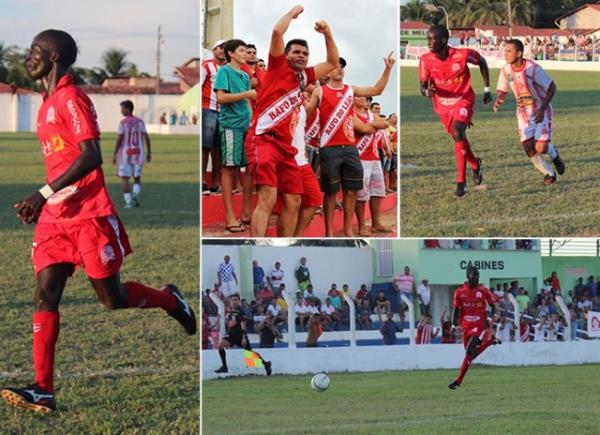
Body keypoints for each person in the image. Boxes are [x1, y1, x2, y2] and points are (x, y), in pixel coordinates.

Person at [1, 30, 196, 414]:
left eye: (37, 51)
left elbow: (92, 155)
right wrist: (47, 201)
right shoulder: (47, 101)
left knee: (112, 300)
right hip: (56, 217)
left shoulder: (71, 98)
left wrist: (40, 194)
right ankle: (43, 389)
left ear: (55, 58)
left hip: (89, 215)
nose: (29, 57)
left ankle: (169, 299)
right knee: (45, 293)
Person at [246, 5, 339, 237]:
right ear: (286, 54)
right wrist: (291, 14)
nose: (301, 56)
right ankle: (258, 246)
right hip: (264, 139)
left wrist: (327, 33)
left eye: (305, 53)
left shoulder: (304, 77)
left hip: (287, 148)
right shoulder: (278, 66)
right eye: (296, 52)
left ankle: (284, 243)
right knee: (267, 198)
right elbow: (277, 33)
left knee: (294, 200)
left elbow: (332, 63)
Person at [311, 53, 395, 236]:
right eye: (335, 66)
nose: (340, 68)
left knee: (352, 191)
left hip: (350, 150)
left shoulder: (351, 90)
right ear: (327, 72)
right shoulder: (320, 91)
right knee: (331, 193)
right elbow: (307, 113)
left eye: (342, 66)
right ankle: (329, 232)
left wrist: (388, 69)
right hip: (329, 148)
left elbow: (376, 90)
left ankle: (349, 229)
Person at [418, 25, 490, 197]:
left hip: (463, 100)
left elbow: (482, 62)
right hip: (442, 105)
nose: (428, 42)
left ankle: (461, 181)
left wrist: (487, 89)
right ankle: (475, 164)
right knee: (459, 138)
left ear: (443, 40)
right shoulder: (426, 60)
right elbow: (422, 86)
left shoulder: (462, 55)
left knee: (459, 132)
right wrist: (427, 92)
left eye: (432, 39)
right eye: (427, 39)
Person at [493, 39, 565, 185]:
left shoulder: (533, 69)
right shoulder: (506, 70)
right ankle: (549, 173)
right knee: (529, 149)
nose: (505, 54)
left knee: (541, 147)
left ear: (519, 53)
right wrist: (499, 100)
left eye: (508, 51)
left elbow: (552, 88)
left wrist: (542, 109)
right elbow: (503, 89)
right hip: (523, 114)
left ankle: (555, 156)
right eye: (504, 51)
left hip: (541, 111)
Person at [213, 38, 257, 232]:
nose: (245, 54)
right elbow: (221, 98)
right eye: (241, 50)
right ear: (230, 53)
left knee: (248, 168)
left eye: (246, 51)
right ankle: (230, 216)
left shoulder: (244, 76)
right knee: (230, 169)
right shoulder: (224, 71)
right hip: (231, 126)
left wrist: (252, 120)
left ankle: (246, 211)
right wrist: (247, 94)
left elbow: (247, 103)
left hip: (246, 126)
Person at [448, 265, 500, 390]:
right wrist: (453, 325)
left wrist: (489, 319)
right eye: (473, 276)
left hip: (480, 325)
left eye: (477, 276)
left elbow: (493, 307)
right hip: (466, 326)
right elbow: (456, 309)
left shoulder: (483, 290)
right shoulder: (459, 292)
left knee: (469, 350)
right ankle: (490, 342)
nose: (476, 278)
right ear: (467, 276)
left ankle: (458, 381)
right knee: (470, 355)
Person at [352, 95, 390, 236]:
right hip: (359, 157)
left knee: (378, 192)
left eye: (367, 99)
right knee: (361, 194)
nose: (364, 100)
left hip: (374, 158)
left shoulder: (371, 114)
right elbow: (363, 129)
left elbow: (385, 124)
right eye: (360, 97)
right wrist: (373, 125)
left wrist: (371, 125)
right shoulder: (351, 113)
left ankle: (376, 223)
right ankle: (362, 225)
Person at [215, 294, 272, 375]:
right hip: (232, 334)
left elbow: (241, 323)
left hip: (240, 335)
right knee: (220, 346)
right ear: (230, 301)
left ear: (239, 301)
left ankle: (266, 364)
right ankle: (224, 367)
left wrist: (244, 336)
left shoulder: (238, 311)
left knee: (250, 352)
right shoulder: (233, 311)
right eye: (233, 300)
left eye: (236, 300)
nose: (234, 301)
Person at [112, 100, 151, 208]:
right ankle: (135, 194)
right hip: (138, 154)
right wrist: (149, 152)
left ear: (128, 109)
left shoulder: (123, 123)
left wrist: (115, 154)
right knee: (137, 178)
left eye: (122, 108)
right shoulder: (140, 122)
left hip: (125, 155)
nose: (121, 111)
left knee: (125, 178)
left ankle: (128, 202)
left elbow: (119, 139)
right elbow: (146, 137)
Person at [202, 40, 226, 194]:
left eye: (225, 48)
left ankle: (216, 182)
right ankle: (202, 180)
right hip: (208, 109)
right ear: (213, 50)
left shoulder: (229, 68)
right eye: (220, 48)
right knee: (205, 146)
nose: (223, 51)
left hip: (224, 112)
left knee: (218, 149)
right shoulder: (206, 65)